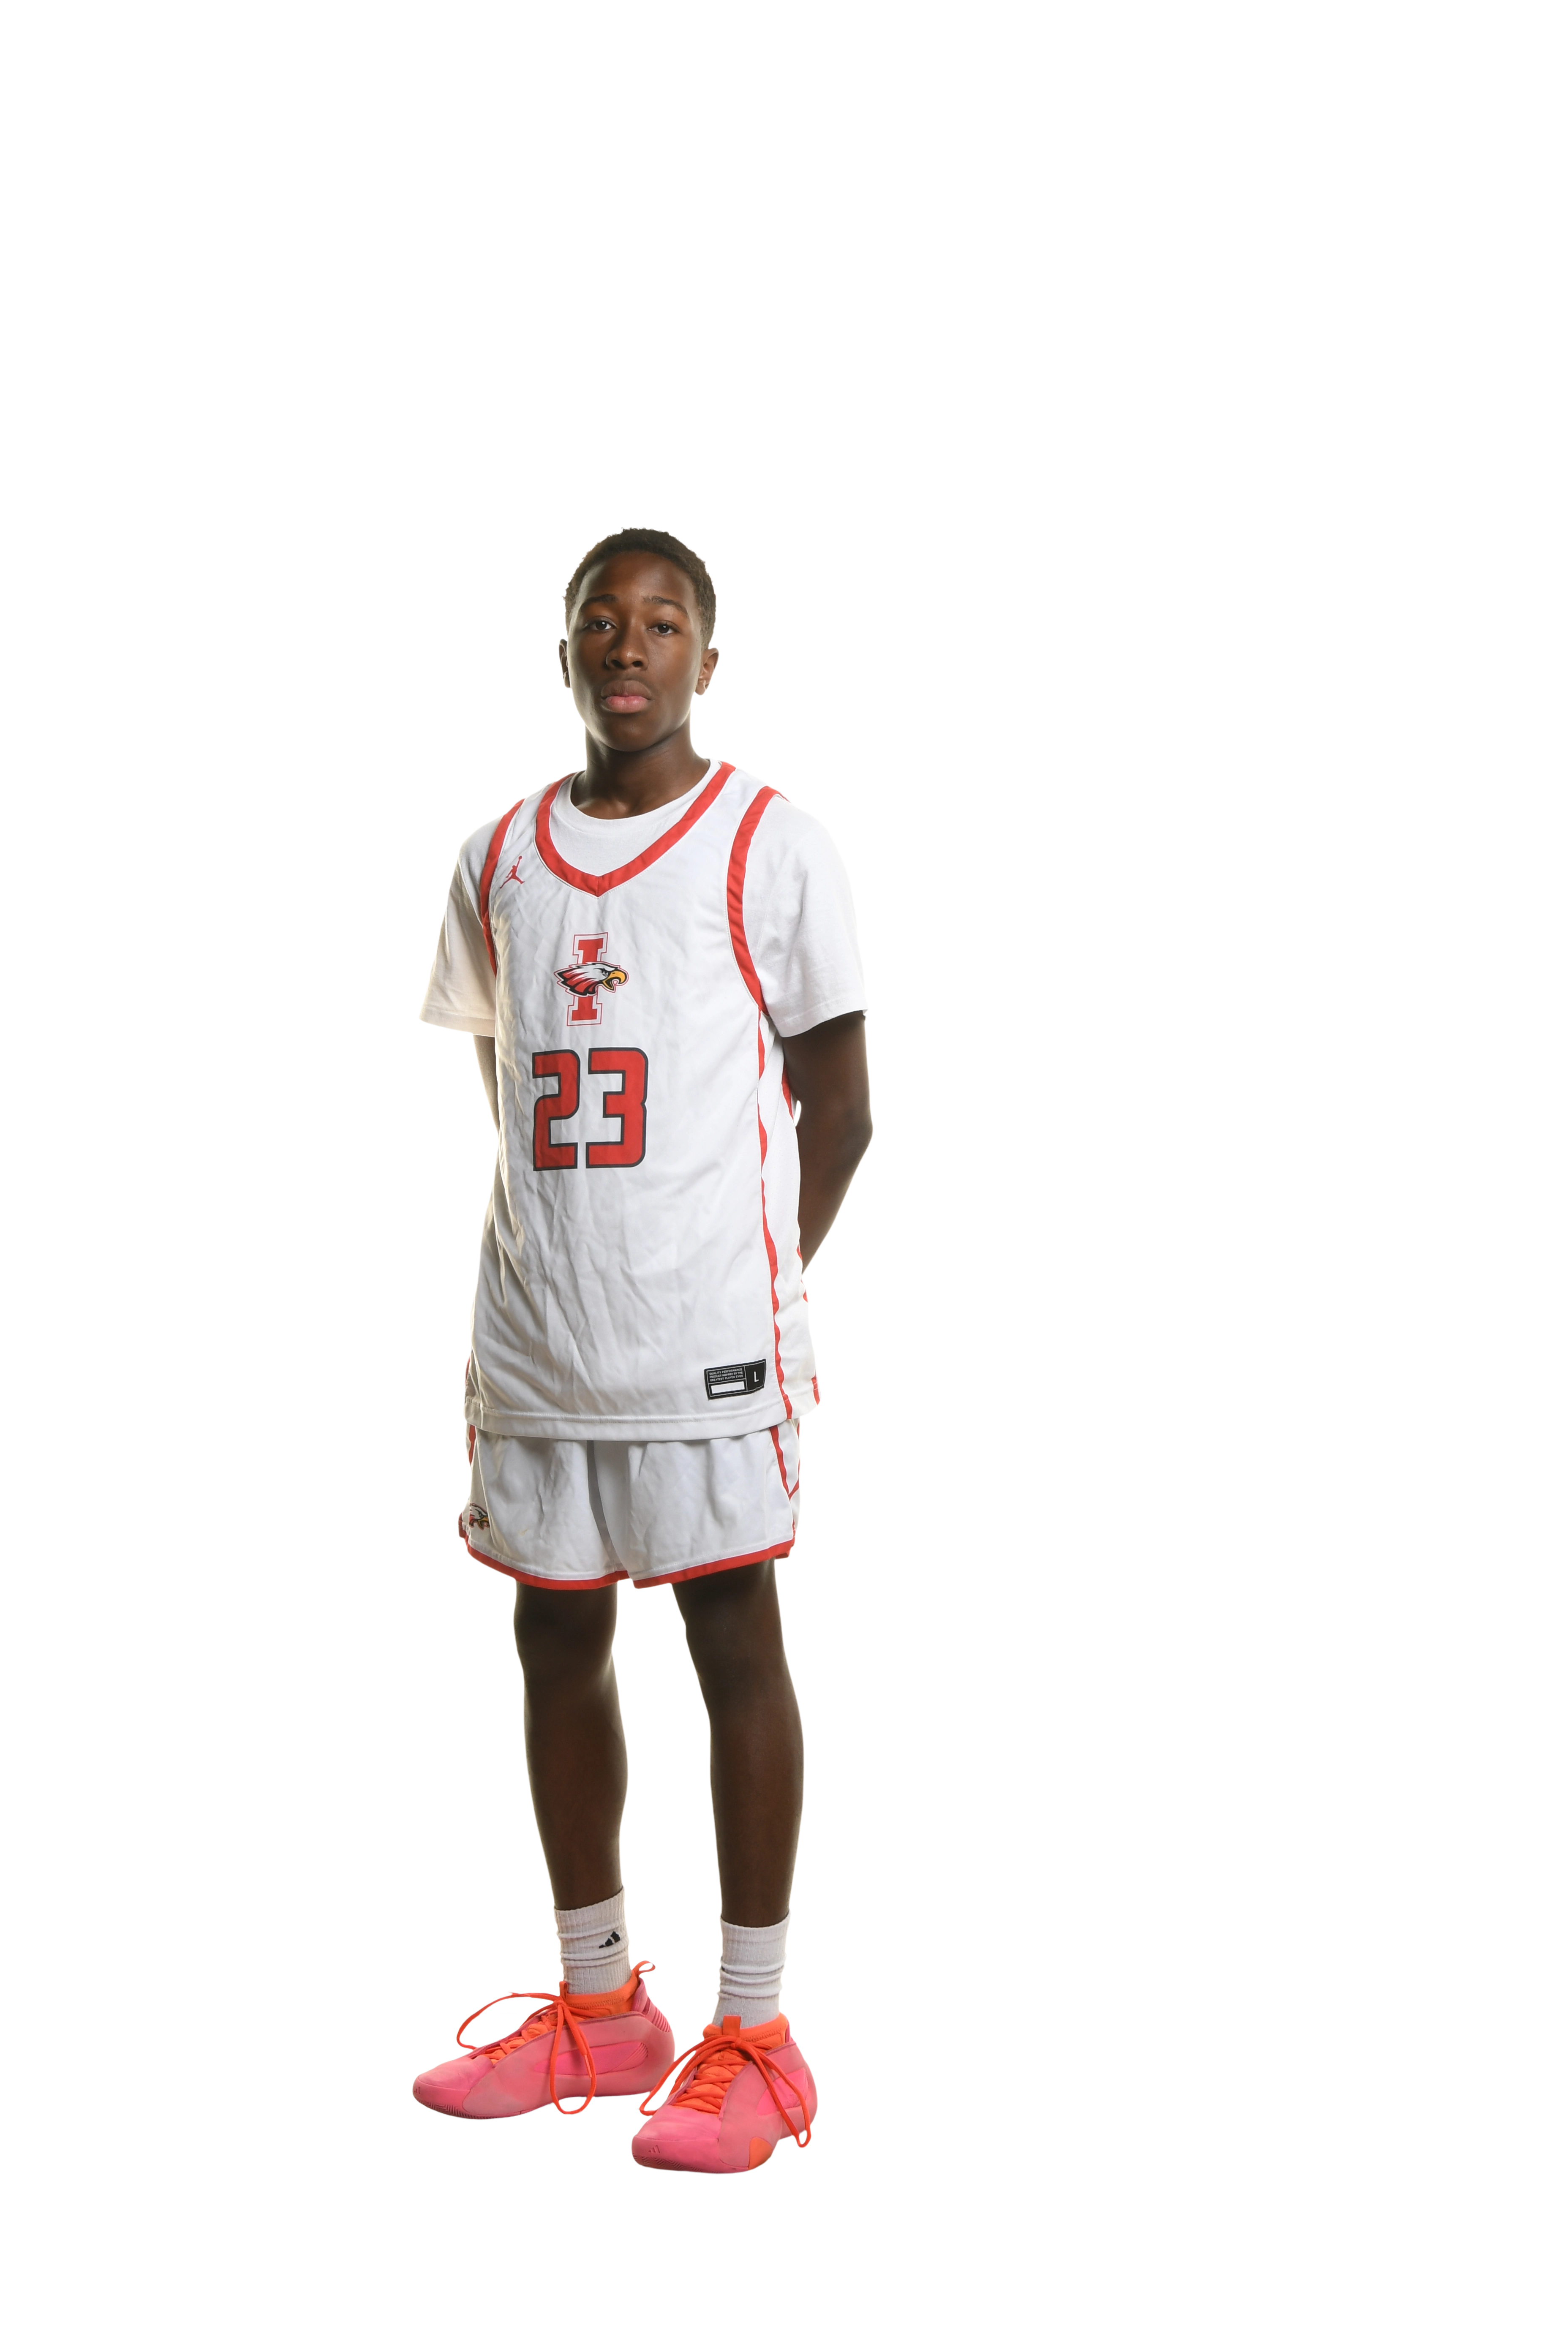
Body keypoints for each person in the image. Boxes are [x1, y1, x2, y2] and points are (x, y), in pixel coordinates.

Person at [411, 527, 872, 2171]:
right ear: (562, 645)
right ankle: (603, 2008)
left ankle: (757, 2034)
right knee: (553, 1636)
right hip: (542, 1336)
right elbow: (507, 1080)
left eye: (663, 623)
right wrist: (581, 1262)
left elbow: (842, 1108)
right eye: (602, 620)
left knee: (731, 1634)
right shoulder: (499, 855)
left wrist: (740, 1280)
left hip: (705, 1346)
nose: (629, 645)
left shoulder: (768, 841)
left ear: (708, 654)